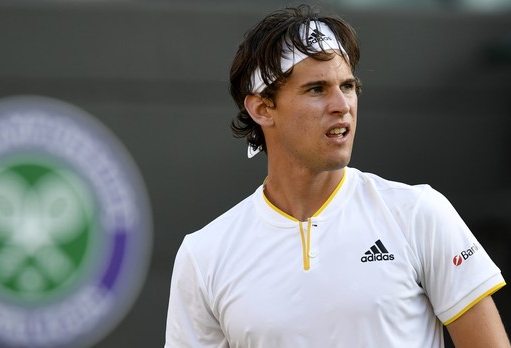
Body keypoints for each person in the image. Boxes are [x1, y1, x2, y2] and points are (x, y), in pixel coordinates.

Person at [165, 4, 509, 347]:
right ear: (262, 108)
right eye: (316, 89)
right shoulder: (204, 255)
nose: (342, 105)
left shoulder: (419, 213)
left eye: (347, 86)